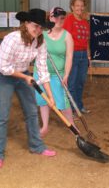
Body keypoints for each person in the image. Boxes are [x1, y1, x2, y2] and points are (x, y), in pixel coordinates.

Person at [0, 9, 57, 168]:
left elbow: (42, 69)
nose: (38, 30)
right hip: (3, 75)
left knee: (32, 112)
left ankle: (37, 146)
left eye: (41, 27)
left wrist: (50, 96)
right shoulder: (12, 39)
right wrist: (25, 77)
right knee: (3, 114)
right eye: (36, 26)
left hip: (23, 74)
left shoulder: (40, 42)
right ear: (26, 23)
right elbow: (4, 67)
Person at [34, 7, 76, 136]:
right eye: (56, 16)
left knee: (63, 101)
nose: (59, 20)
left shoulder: (67, 36)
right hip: (41, 73)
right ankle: (45, 126)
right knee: (43, 100)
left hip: (59, 74)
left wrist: (67, 75)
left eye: (62, 17)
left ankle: (72, 126)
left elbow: (69, 56)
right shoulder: (42, 35)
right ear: (50, 18)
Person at [62, 0, 90, 114]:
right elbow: (64, 38)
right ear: (72, 7)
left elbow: (87, 41)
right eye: (77, 5)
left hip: (83, 55)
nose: (80, 8)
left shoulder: (85, 22)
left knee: (80, 82)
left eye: (82, 6)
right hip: (73, 54)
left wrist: (88, 56)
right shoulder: (69, 20)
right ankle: (72, 109)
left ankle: (79, 105)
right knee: (72, 82)